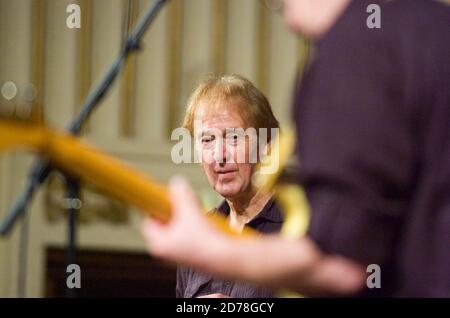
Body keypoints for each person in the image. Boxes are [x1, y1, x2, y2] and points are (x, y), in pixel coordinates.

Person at [141, 0, 450, 297]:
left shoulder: (356, 50)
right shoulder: (436, 24)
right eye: (207, 140)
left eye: (233, 137)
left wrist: (211, 250)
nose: (288, 20)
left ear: (267, 143)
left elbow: (341, 265)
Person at [176, 75, 283, 298]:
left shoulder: (300, 227)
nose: (219, 156)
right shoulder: (199, 235)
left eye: (233, 137)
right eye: (207, 141)